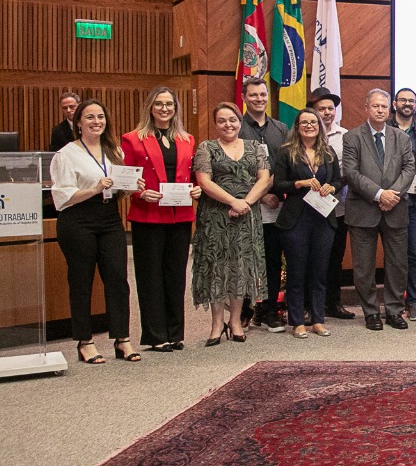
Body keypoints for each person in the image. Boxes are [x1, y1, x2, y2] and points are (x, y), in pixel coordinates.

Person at [50, 99, 142, 364]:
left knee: (117, 277)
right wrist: (94, 188)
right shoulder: (66, 154)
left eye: (100, 117)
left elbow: (119, 188)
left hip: (109, 218)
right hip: (78, 218)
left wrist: (132, 184)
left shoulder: (113, 150)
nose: (96, 122)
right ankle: (85, 341)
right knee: (81, 280)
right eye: (89, 117)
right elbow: (62, 197)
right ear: (78, 123)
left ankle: (122, 339)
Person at [121, 86, 201, 352]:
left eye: (169, 104)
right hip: (149, 215)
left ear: (176, 108)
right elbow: (127, 180)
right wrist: (141, 192)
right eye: (159, 104)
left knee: (176, 275)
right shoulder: (132, 139)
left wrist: (196, 188)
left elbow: (190, 176)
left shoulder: (187, 139)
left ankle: (175, 333)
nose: (165, 109)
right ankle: (156, 336)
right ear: (150, 107)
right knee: (150, 276)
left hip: (180, 216)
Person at [191, 102, 272, 345]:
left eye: (233, 120)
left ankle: (236, 321)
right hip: (216, 216)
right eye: (222, 121)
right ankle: (217, 324)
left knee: (240, 268)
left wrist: (245, 202)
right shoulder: (206, 148)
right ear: (216, 124)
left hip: (247, 216)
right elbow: (204, 181)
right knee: (217, 268)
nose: (228, 125)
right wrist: (232, 202)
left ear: (240, 122)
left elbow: (265, 178)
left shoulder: (255, 147)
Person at [343, 88, 416, 331]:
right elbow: (351, 173)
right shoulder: (352, 137)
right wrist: (378, 194)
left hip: (395, 209)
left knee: (397, 264)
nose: (380, 110)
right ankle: (371, 312)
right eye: (375, 106)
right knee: (364, 266)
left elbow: (409, 169)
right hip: (363, 209)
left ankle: (395, 311)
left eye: (384, 107)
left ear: (390, 109)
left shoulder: (401, 138)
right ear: (366, 108)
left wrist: (392, 194)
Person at [271, 108, 343, 338]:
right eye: (305, 122)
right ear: (297, 126)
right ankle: (297, 321)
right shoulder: (286, 153)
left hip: (323, 218)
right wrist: (299, 183)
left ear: (320, 126)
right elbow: (278, 184)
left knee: (320, 271)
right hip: (296, 219)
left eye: (314, 122)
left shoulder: (328, 152)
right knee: (296, 271)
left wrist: (332, 186)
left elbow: (338, 180)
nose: (309, 125)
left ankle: (318, 319)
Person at [238, 77, 288, 332]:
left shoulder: (280, 129)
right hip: (244, 206)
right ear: (245, 98)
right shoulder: (236, 128)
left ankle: (269, 310)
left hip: (273, 205)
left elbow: (286, 166)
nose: (259, 99)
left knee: (271, 260)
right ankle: (244, 310)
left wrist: (273, 192)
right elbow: (233, 170)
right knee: (246, 260)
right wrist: (256, 194)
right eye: (253, 95)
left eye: (262, 94)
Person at [310, 86, 355, 320]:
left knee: (335, 257)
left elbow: (349, 171)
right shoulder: (302, 136)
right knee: (312, 257)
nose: (327, 113)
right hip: (310, 209)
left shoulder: (346, 136)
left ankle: (333, 304)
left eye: (330, 108)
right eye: (321, 109)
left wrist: (335, 187)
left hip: (338, 207)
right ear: (312, 111)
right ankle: (310, 307)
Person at [393, 88, 416, 319]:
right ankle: (394, 301)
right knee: (394, 254)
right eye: (403, 100)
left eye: (411, 101)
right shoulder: (385, 130)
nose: (407, 104)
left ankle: (414, 301)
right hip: (391, 201)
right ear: (395, 103)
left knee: (415, 253)